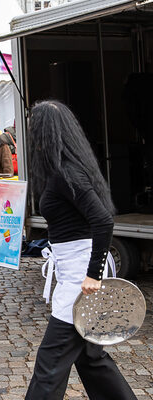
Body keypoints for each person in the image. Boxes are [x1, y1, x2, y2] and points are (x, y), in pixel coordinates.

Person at [25, 100, 137, 399]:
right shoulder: (62, 169)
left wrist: (92, 275)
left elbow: (103, 221)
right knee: (90, 357)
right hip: (73, 266)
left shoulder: (67, 172)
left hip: (80, 274)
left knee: (50, 361)